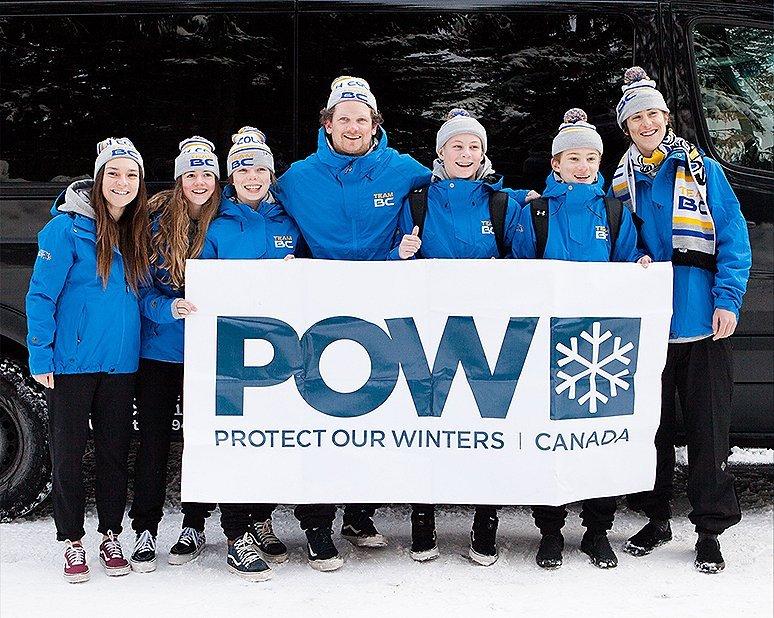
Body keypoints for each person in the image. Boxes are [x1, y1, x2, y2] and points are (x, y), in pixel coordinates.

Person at [275, 76, 431, 571]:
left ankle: (359, 514)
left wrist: (521, 196)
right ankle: (317, 524)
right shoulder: (298, 177)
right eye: (342, 117)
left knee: (375, 412)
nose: (352, 126)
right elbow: (254, 209)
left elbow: (457, 189)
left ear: (374, 124)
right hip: (317, 311)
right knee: (321, 417)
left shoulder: (402, 169)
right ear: (327, 123)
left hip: (383, 305)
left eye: (361, 118)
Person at [610, 67, 751, 573]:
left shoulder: (703, 170)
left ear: (666, 118)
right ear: (625, 127)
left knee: (708, 430)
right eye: (636, 117)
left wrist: (728, 300)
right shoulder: (619, 183)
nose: (646, 122)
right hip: (648, 328)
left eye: (653, 113)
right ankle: (656, 516)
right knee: (653, 430)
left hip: (702, 322)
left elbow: (734, 240)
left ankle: (709, 529)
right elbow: (614, 246)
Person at [513, 108, 650, 570]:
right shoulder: (535, 212)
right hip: (547, 342)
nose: (583, 165)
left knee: (599, 438)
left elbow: (629, 261)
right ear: (556, 164)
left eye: (591, 157)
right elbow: (517, 272)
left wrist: (641, 273)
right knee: (548, 436)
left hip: (600, 344)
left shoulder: (613, 211)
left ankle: (596, 530)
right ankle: (550, 531)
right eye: (573, 157)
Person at [405, 108, 535, 566]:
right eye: (456, 146)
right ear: (440, 152)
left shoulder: (503, 204)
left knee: (487, 428)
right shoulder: (418, 201)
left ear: (484, 153)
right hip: (429, 332)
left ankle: (486, 522)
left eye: (473, 146)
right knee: (428, 424)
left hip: (489, 332)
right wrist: (399, 254)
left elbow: (528, 263)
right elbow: (390, 263)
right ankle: (423, 520)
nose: (465, 153)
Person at [26, 138, 150, 583]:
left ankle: (110, 534)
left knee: (115, 452)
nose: (123, 182)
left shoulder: (139, 230)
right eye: (114, 173)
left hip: (121, 364)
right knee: (69, 453)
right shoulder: (65, 229)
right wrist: (41, 354)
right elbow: (41, 295)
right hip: (73, 362)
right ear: (99, 178)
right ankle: (72, 541)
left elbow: (147, 294)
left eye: (132, 174)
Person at [201, 126, 302, 581]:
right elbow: (198, 279)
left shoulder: (288, 220)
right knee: (236, 442)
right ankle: (236, 533)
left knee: (272, 437)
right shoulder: (215, 223)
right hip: (230, 350)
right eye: (243, 167)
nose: (253, 175)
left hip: (279, 346)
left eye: (261, 167)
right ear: (231, 175)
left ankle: (260, 518)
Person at [127, 137, 220, 572]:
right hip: (160, 351)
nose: (199, 182)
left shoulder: (227, 218)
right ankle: (144, 527)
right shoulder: (154, 221)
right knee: (154, 439)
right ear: (180, 177)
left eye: (207, 174)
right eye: (191, 174)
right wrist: (167, 308)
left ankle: (195, 522)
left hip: (211, 354)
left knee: (200, 441)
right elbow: (139, 291)